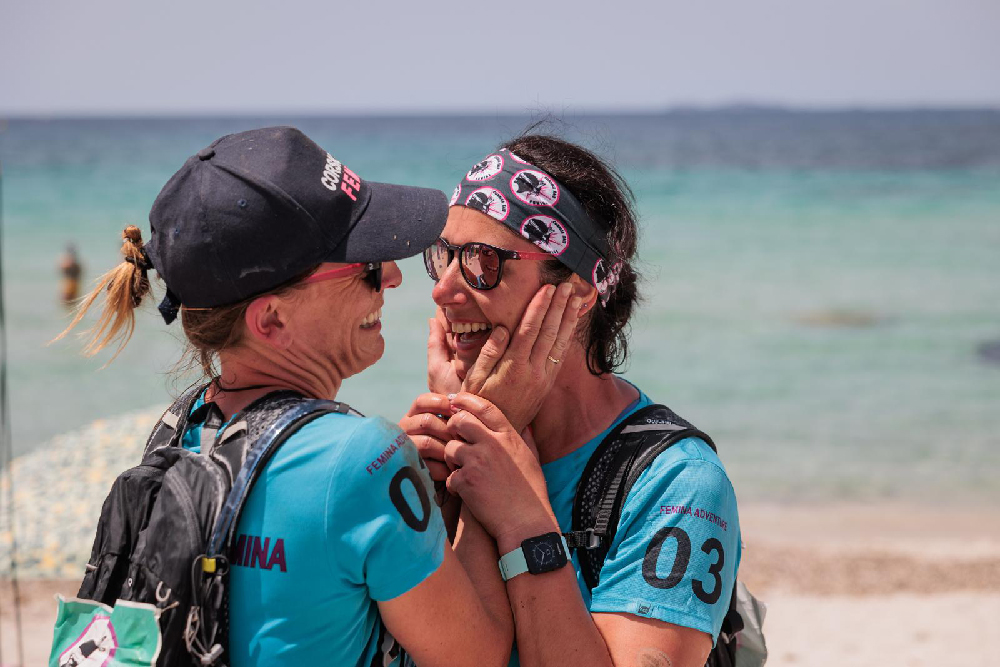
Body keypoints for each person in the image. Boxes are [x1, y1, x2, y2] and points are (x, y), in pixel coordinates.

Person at [57, 126, 513, 666]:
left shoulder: (182, 426)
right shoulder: (362, 457)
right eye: (365, 266)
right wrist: (486, 436)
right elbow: (479, 656)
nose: (392, 277)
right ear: (271, 318)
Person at [401, 135, 742, 667]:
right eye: (443, 255)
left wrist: (524, 522)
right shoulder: (438, 451)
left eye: (481, 262)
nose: (442, 291)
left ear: (579, 293)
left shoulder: (677, 482)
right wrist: (433, 492)